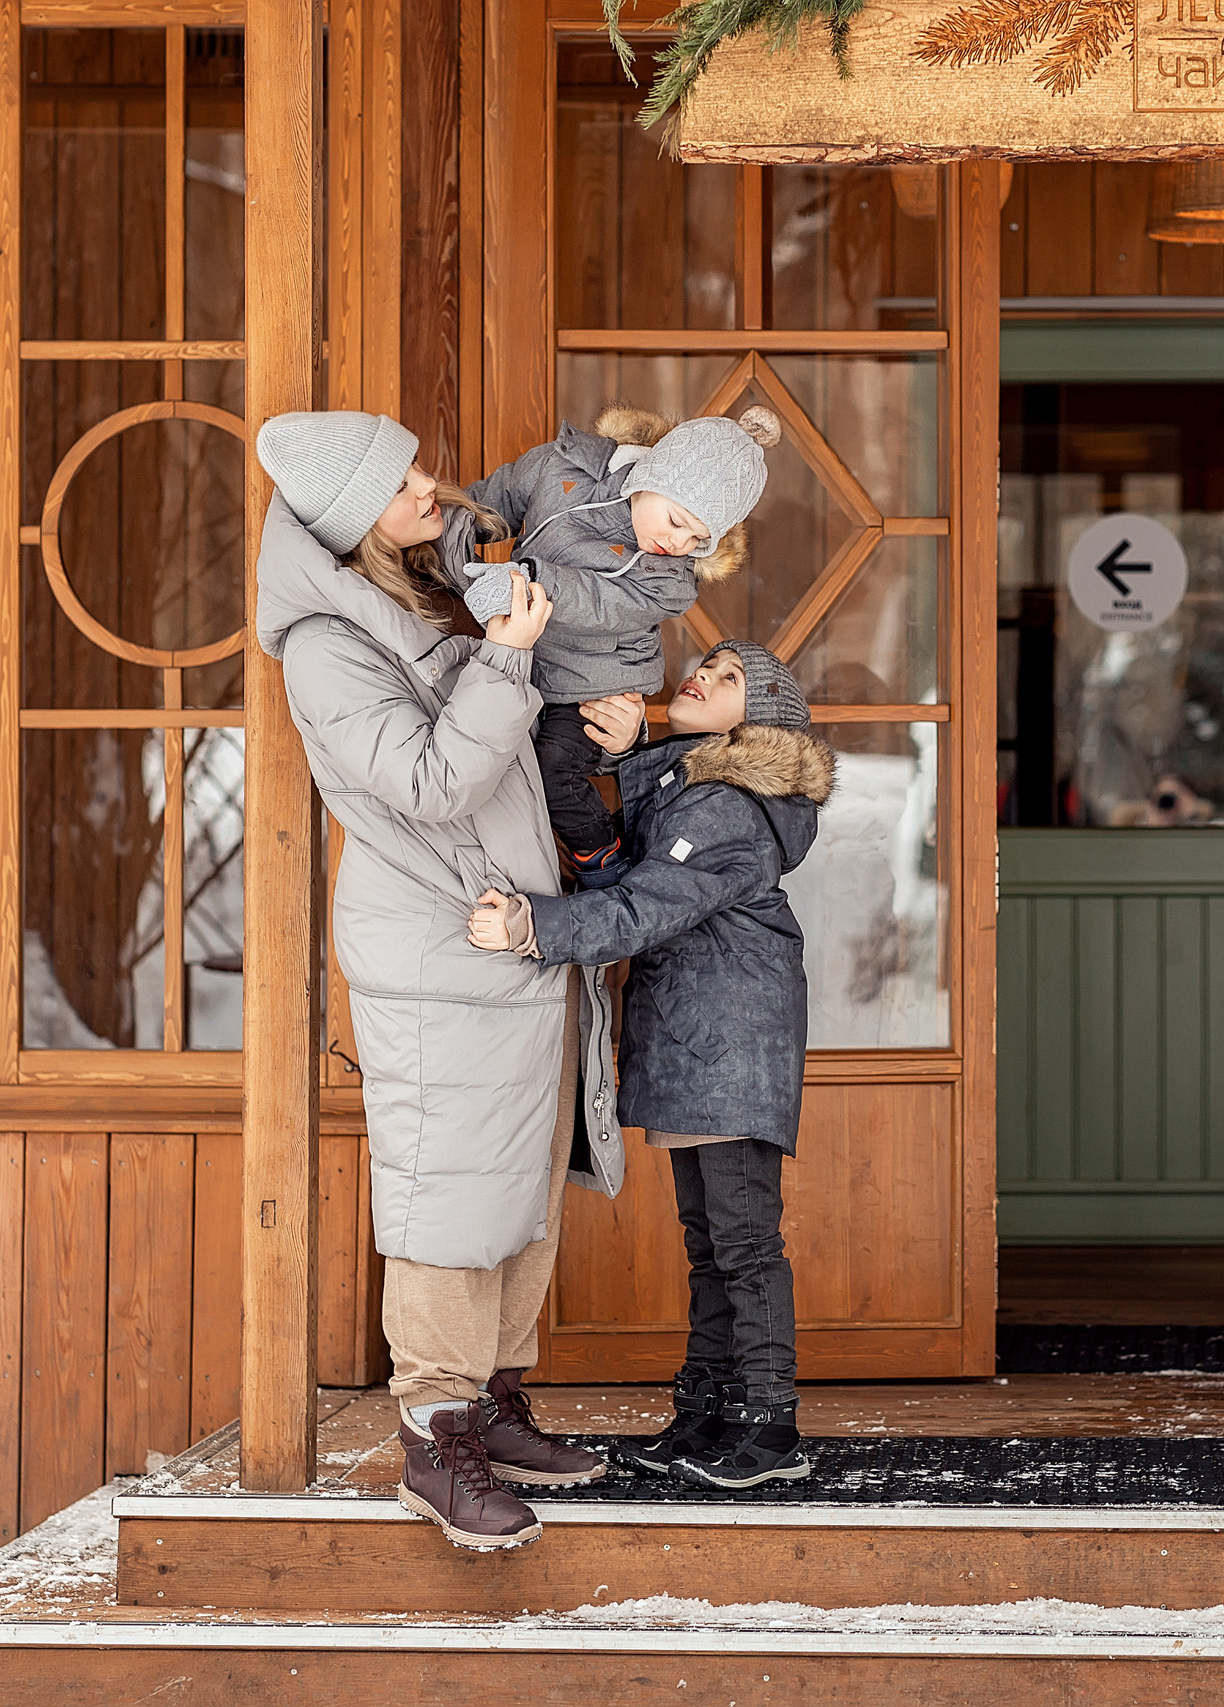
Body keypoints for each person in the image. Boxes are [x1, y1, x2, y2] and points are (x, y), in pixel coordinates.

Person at [253, 409, 628, 1551]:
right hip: (436, 947)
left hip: (506, 933)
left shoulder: (420, 590)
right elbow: (425, 783)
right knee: (443, 1194)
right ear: (344, 512)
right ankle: (434, 1436)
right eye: (401, 476)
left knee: (512, 1184)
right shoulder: (325, 644)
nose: (430, 484)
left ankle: (494, 1399)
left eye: (417, 464)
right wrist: (509, 657)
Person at [466, 639, 830, 1489]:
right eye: (706, 660)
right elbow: (642, 869)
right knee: (713, 1245)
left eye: (729, 677)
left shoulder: (728, 810)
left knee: (741, 1245)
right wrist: (629, 755)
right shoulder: (704, 790)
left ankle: (770, 1427)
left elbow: (639, 908)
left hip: (730, 1048)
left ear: (760, 720)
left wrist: (534, 927)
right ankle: (705, 1413)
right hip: (707, 1045)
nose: (700, 674)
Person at [451, 403, 779, 887]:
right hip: (524, 649)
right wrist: (446, 543)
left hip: (596, 682)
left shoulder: (669, 581)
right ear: (651, 474)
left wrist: (527, 580)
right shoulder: (562, 467)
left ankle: (602, 861)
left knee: (551, 773)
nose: (679, 542)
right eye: (676, 519)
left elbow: (597, 602)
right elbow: (490, 502)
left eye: (699, 538)